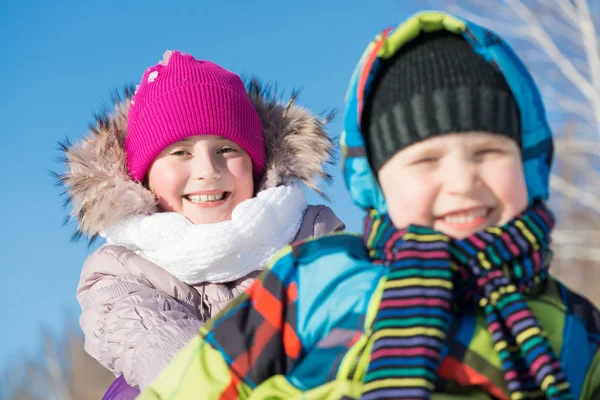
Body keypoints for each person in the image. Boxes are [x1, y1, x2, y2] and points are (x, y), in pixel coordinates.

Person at [138, 12, 600, 400]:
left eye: (487, 153)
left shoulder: (575, 328)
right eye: (427, 161)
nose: (462, 181)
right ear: (377, 183)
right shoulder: (316, 282)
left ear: (530, 163)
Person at [58, 49, 345, 397]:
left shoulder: (314, 242)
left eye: (227, 149)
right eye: (180, 152)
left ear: (256, 165)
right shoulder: (120, 274)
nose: (208, 170)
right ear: (143, 178)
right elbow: (157, 346)